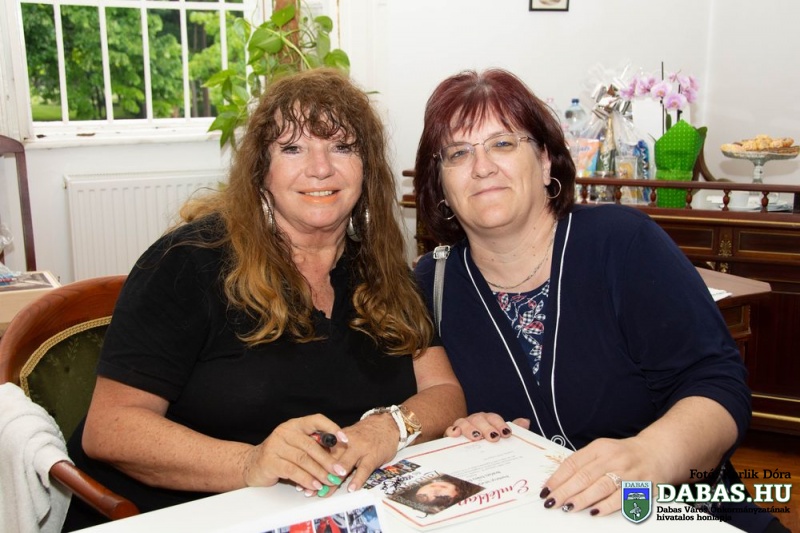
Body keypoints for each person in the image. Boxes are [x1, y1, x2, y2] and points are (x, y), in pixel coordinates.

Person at [63, 68, 465, 530]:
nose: (320, 168)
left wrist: (389, 426)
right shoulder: (187, 262)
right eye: (292, 148)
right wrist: (250, 462)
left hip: (322, 515)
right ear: (261, 172)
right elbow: (110, 429)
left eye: (342, 147)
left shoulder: (384, 271)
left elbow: (444, 393)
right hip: (177, 516)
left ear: (367, 169)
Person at [412, 68, 786, 532]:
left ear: (545, 161)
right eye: (458, 153)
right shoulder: (431, 284)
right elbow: (432, 404)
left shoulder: (622, 243)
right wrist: (464, 428)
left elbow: (718, 385)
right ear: (441, 184)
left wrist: (652, 454)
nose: (482, 166)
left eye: (502, 143)